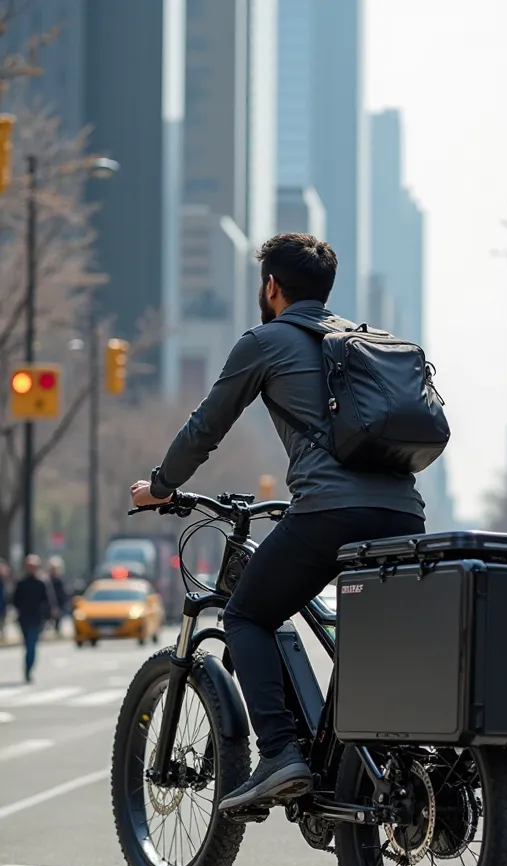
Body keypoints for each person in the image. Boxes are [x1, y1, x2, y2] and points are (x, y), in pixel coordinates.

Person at [131, 233, 426, 810]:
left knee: (245, 613)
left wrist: (160, 488)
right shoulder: (364, 342)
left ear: (271, 287)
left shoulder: (267, 341)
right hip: (403, 514)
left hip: (328, 512)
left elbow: (204, 428)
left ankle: (280, 753)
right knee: (364, 639)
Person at [12, 554, 51, 682]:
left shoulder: (41, 583)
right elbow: (15, 600)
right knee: (27, 644)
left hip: (36, 618)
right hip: (24, 618)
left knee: (31, 644)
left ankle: (28, 669)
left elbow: (47, 600)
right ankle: (27, 667)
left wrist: (48, 615)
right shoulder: (21, 583)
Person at [47, 557, 69, 635]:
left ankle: (57, 630)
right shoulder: (47, 580)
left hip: (59, 601)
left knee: (58, 618)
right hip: (49, 601)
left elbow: (62, 592)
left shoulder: (60, 580)